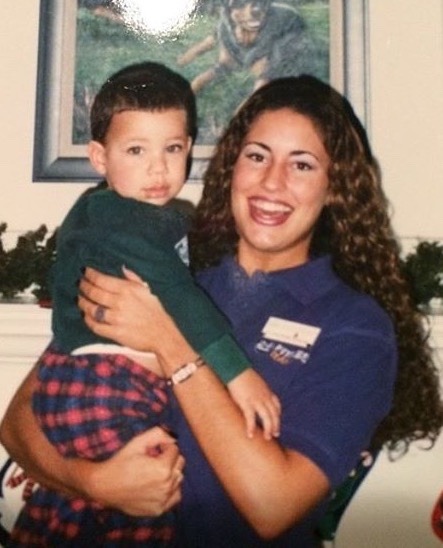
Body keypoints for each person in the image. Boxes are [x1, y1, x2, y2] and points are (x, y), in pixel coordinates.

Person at [2, 75, 442, 546]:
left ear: (334, 187)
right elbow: (20, 418)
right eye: (257, 156)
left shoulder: (355, 327)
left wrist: (170, 343)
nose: (272, 182)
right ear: (232, 166)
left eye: (302, 164)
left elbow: (274, 506)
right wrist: (92, 482)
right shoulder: (174, 270)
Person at [5, 62, 280, 547]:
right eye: (136, 150)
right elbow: (179, 297)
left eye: (172, 148)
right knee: (149, 498)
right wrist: (240, 375)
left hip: (81, 380)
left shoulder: (111, 215)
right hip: (107, 386)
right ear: (99, 156)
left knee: (74, 509)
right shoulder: (129, 220)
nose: (158, 168)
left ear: (190, 149)